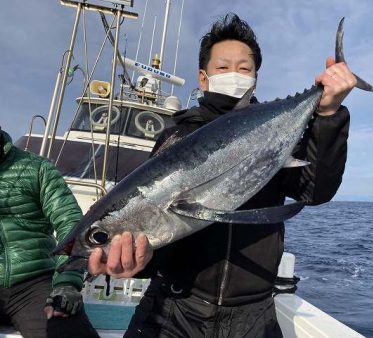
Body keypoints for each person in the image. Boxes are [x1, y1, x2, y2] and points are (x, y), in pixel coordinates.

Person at [89, 13, 356, 337]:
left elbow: (315, 191)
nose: (234, 75)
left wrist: (327, 114)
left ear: (255, 79)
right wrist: (140, 263)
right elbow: (154, 225)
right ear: (203, 78)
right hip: (174, 310)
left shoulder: (276, 126)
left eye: (244, 68)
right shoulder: (176, 138)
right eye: (223, 67)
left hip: (253, 316)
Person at [0, 127, 99, 338]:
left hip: (33, 284)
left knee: (68, 331)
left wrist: (67, 281)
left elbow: (71, 224)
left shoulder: (37, 168)